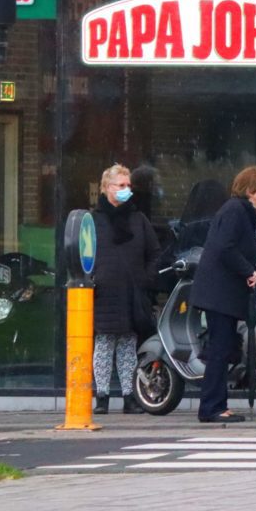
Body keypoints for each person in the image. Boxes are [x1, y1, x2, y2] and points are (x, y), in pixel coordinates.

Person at [190, 166, 256, 424]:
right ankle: (212, 407)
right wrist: (248, 270)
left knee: (223, 349)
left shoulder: (242, 211)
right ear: (250, 189)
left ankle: (216, 404)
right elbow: (224, 246)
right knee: (220, 349)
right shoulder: (236, 210)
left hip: (222, 294)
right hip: (219, 294)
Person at [91, 164, 161, 415]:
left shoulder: (138, 219)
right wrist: (93, 280)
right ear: (107, 188)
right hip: (104, 293)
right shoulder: (94, 220)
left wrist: (145, 279)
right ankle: (102, 397)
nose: (126, 190)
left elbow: (154, 252)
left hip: (132, 292)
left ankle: (130, 397)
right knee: (104, 344)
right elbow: (82, 255)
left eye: (128, 185)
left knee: (128, 346)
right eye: (121, 185)